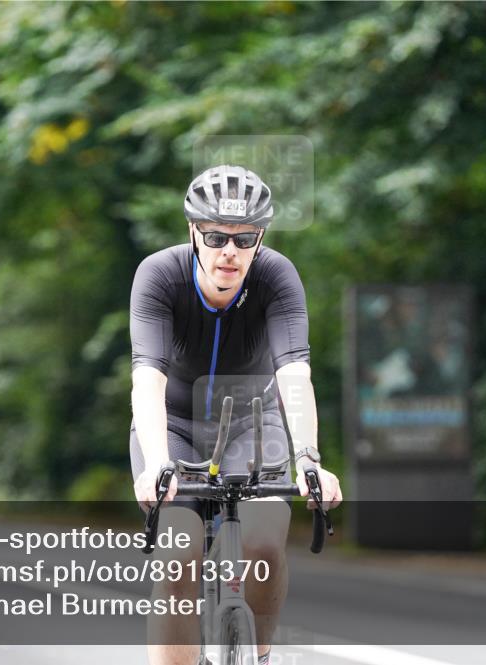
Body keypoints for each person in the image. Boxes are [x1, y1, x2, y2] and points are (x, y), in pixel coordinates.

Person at [130, 165, 343, 665]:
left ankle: (260, 657)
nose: (230, 251)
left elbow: (294, 374)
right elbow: (148, 379)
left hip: (253, 426)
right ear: (193, 232)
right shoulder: (159, 275)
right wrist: (157, 462)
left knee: (264, 546)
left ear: (259, 238)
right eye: (216, 237)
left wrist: (308, 458)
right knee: (178, 556)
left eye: (244, 239)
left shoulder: (276, 276)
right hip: (175, 426)